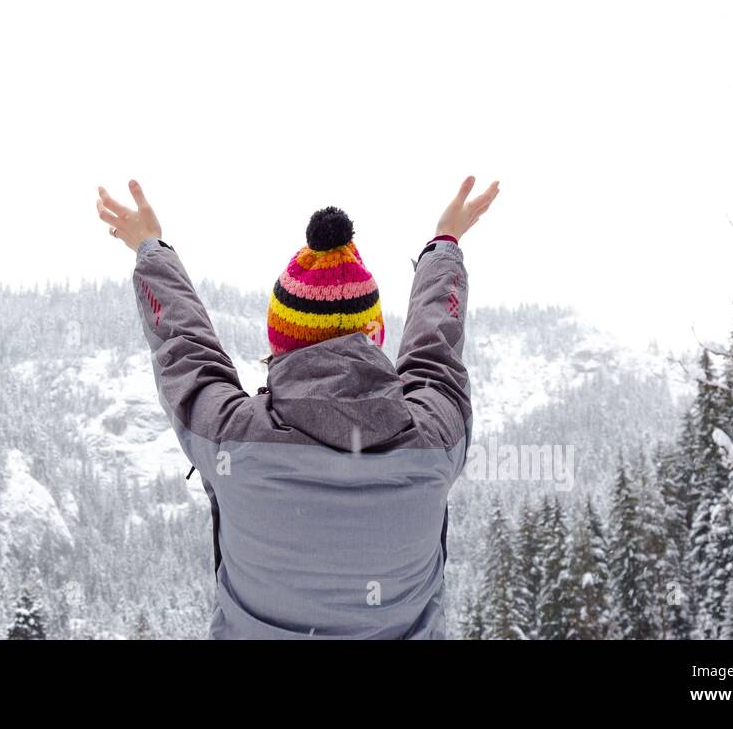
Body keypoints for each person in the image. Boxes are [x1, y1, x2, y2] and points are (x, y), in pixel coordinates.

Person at [95, 176, 499, 638]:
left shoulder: (233, 437)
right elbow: (436, 349)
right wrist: (445, 245)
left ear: (279, 342)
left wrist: (150, 249)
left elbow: (185, 349)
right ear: (375, 336)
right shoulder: (434, 440)